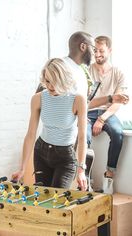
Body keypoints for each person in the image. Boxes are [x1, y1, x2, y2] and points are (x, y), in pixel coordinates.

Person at [12, 58, 88, 191]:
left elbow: (82, 138)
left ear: (63, 79)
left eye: (55, 81)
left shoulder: (77, 100)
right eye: (47, 81)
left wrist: (81, 170)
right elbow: (30, 134)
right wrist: (22, 168)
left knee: (57, 199)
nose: (51, 86)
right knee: (43, 197)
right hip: (41, 151)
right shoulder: (38, 98)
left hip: (65, 157)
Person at [87, 36, 127, 194]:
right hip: (89, 112)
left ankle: (109, 176)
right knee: (84, 136)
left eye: (101, 50)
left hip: (107, 113)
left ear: (109, 51)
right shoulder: (87, 71)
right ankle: (86, 179)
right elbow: (84, 101)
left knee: (118, 133)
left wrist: (102, 119)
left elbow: (118, 102)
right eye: (95, 50)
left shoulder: (118, 73)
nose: (97, 54)